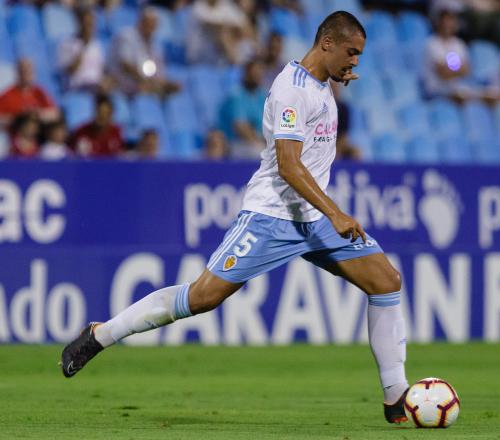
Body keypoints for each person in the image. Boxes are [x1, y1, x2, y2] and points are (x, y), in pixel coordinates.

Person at [61, 11, 410, 426]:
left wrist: (337, 80)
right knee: (202, 297)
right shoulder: (291, 88)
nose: (355, 63)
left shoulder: (322, 84)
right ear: (328, 43)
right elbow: (288, 166)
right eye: (351, 53)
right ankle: (102, 334)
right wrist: (335, 213)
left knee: (386, 281)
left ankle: (396, 397)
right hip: (271, 216)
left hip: (313, 219)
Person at [108, 7, 180, 96]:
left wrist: (166, 83)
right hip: (120, 88)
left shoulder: (155, 44)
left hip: (143, 89)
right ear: (141, 22)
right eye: (148, 24)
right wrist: (145, 81)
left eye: (153, 26)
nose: (151, 29)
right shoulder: (127, 36)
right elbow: (125, 65)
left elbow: (158, 73)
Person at [217, 58, 267, 159]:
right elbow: (241, 127)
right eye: (254, 73)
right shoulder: (236, 95)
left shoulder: (262, 95)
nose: (257, 76)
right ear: (246, 74)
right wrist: (261, 143)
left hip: (260, 142)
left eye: (259, 73)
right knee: (260, 153)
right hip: (237, 143)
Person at [422, 9, 472, 101]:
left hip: (456, 89)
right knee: (461, 99)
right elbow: (443, 73)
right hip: (435, 90)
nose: (447, 25)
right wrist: (458, 69)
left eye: (451, 22)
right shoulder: (431, 43)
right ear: (439, 24)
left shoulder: (459, 44)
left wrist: (450, 69)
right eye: (445, 22)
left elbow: (467, 70)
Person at [57, 7, 108, 92]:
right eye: (86, 24)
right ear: (79, 23)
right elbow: (71, 71)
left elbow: (102, 70)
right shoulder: (67, 43)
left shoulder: (97, 45)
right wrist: (84, 46)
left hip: (97, 87)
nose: (89, 28)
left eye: (91, 24)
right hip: (78, 88)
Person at [0, 59, 60, 127]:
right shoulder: (7, 96)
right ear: (17, 72)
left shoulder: (40, 92)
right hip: (16, 134)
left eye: (29, 71)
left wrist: (37, 115)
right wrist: (18, 119)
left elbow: (55, 114)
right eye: (23, 71)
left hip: (38, 133)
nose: (27, 74)